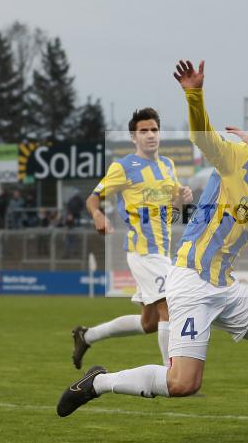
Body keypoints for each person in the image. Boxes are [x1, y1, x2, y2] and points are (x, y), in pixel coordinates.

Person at [56, 60, 248, 443]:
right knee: (182, 383)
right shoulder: (234, 157)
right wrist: (194, 93)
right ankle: (99, 382)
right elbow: (201, 136)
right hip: (192, 282)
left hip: (225, 286)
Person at [71, 108, 192, 369]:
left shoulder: (167, 166)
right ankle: (171, 375)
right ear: (133, 137)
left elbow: (171, 209)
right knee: (170, 308)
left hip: (162, 251)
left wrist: (181, 200)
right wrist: (97, 215)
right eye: (143, 131)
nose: (150, 135)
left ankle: (87, 335)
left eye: (154, 130)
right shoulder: (123, 167)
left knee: (148, 323)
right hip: (143, 251)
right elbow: (92, 198)